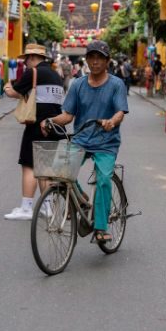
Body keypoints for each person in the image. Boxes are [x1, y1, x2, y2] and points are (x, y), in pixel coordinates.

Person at [41, 40, 128, 243]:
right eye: (92, 57)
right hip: (81, 138)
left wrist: (111, 121)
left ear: (107, 61)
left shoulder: (116, 84)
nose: (95, 62)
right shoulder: (77, 84)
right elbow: (68, 116)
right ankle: (81, 200)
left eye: (100, 58)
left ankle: (100, 227)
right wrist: (49, 121)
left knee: (104, 179)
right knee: (58, 170)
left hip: (106, 141)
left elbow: (120, 112)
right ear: (87, 60)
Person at [3, 44, 64, 220]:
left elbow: (16, 92)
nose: (25, 63)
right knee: (45, 167)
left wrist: (7, 88)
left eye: (26, 60)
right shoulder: (56, 75)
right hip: (54, 125)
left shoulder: (33, 73)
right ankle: (47, 207)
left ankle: (26, 208)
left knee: (29, 165)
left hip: (37, 125)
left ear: (31, 58)